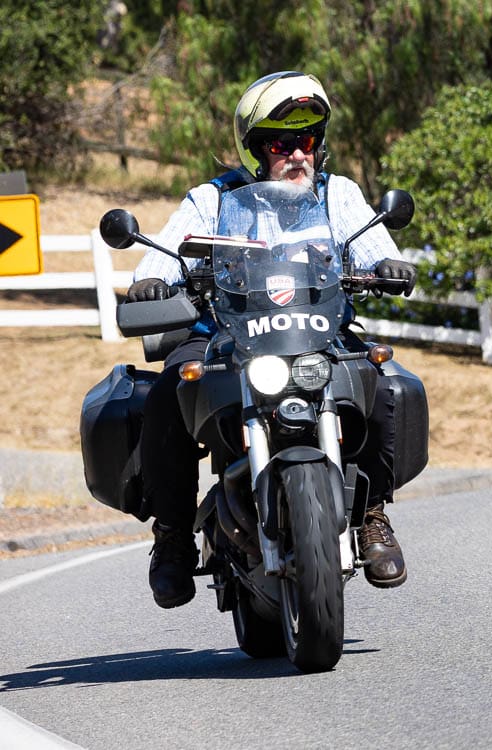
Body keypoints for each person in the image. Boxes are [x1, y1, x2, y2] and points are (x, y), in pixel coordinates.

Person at [128, 71, 418, 607]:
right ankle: (172, 536)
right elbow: (160, 257)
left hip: (320, 334)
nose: (297, 155)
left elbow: (375, 247)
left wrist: (388, 265)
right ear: (255, 149)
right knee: (169, 391)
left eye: (306, 140)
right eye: (281, 144)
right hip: (225, 338)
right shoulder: (213, 200)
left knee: (386, 383)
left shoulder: (337, 194)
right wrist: (153, 279)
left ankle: (372, 514)